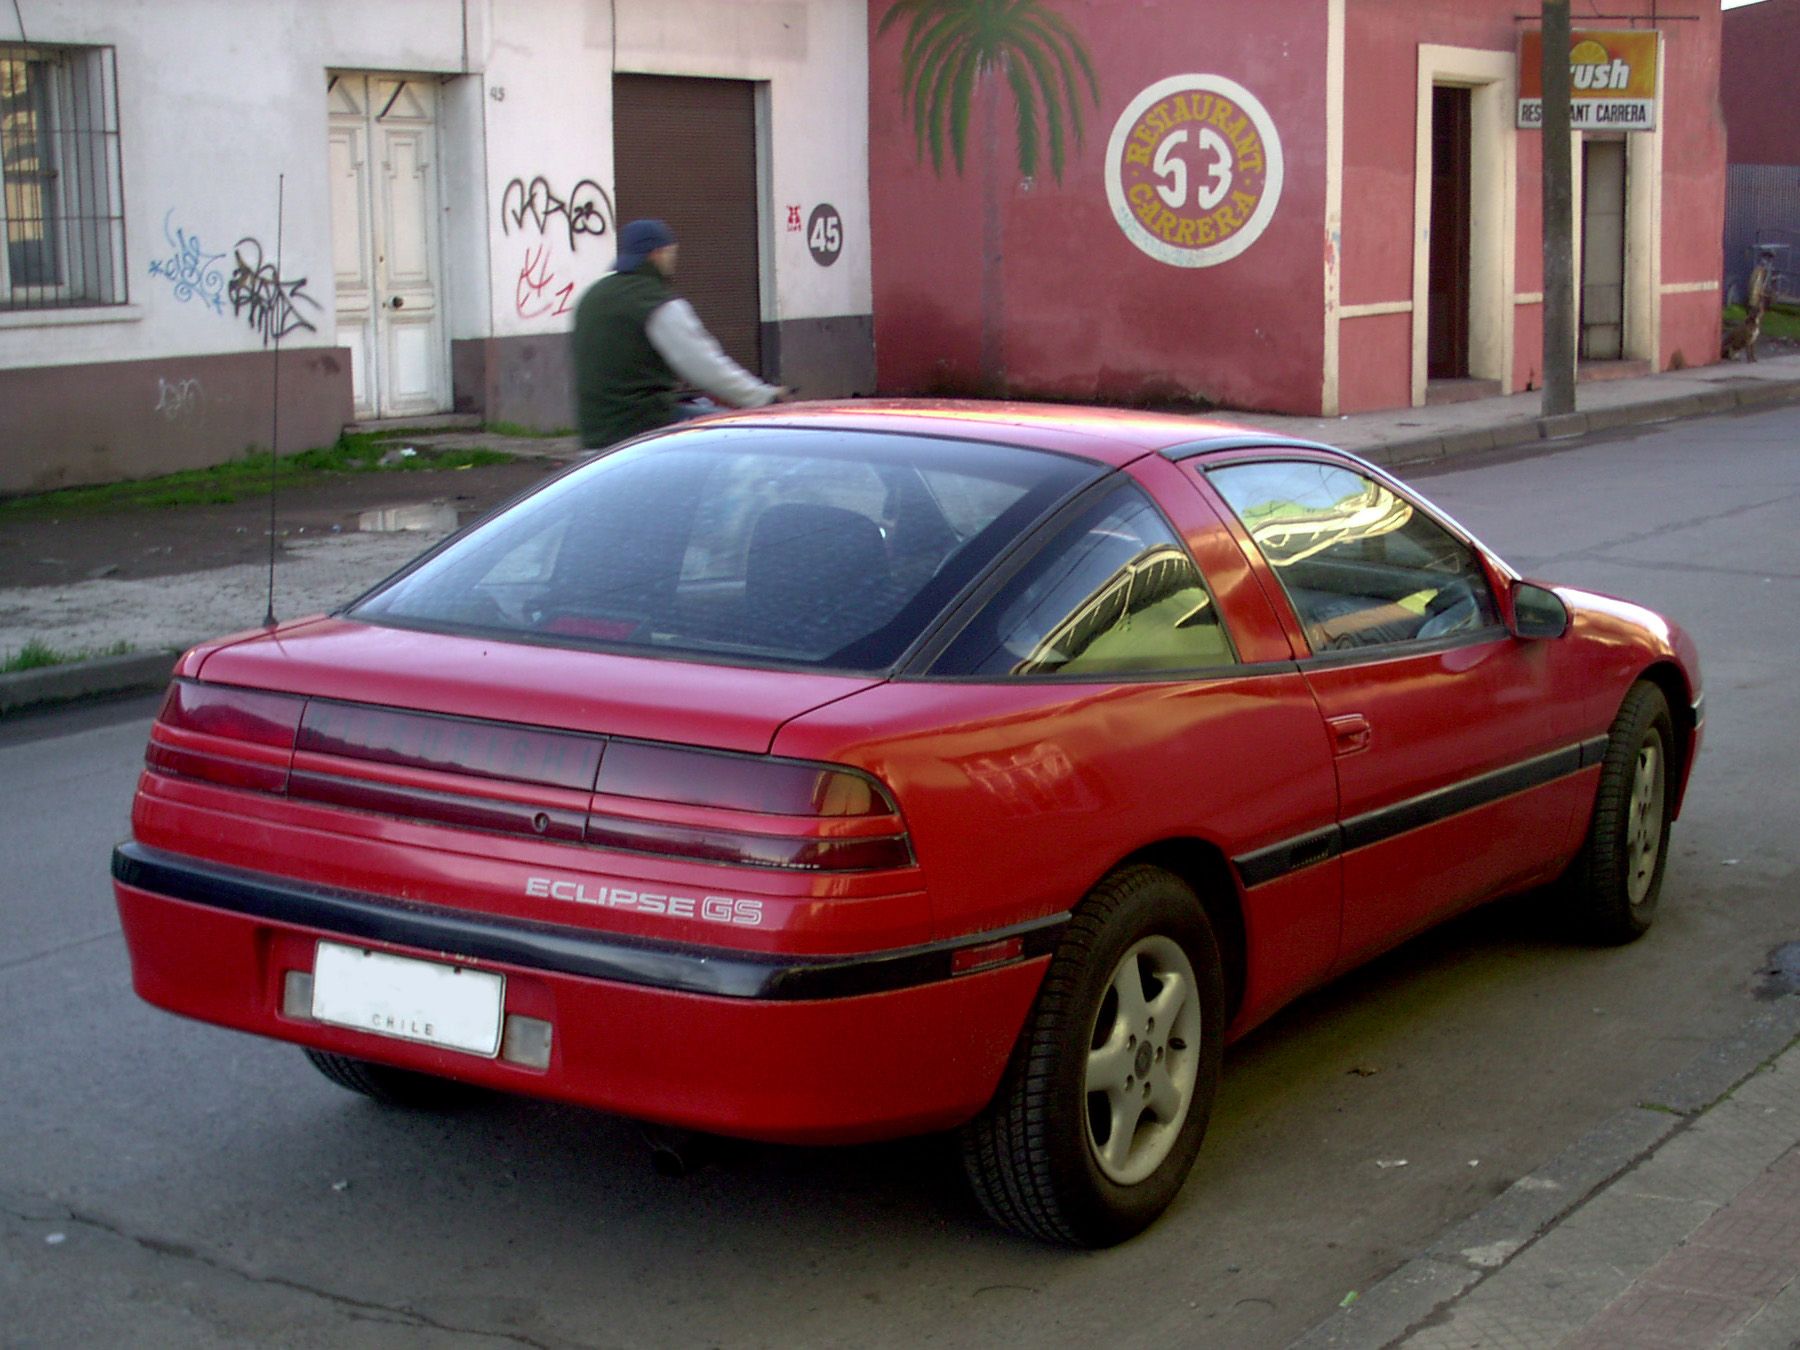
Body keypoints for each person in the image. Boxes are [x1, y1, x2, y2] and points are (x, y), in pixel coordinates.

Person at [571, 218, 788, 449]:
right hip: (643, 428)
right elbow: (706, 366)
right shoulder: (656, 302)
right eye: (671, 252)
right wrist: (763, 398)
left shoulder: (590, 297)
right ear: (656, 254)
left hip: (594, 436)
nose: (673, 260)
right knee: (737, 437)